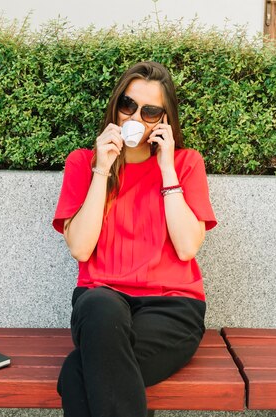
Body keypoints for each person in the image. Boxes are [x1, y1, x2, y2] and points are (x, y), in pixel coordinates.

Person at [52, 61, 217, 417]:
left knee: (78, 372)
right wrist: (102, 169)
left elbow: (188, 246)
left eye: (150, 111)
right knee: (100, 306)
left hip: (172, 308)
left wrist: (167, 168)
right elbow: (81, 248)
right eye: (128, 105)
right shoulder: (82, 163)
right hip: (101, 307)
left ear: (164, 119)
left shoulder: (187, 164)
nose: (135, 117)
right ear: (116, 106)